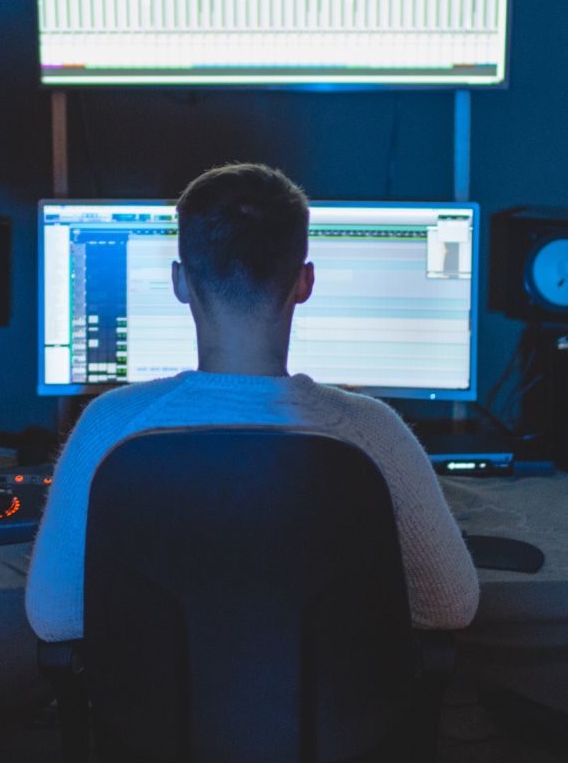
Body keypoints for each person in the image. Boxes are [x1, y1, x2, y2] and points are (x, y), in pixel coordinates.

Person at [25, 162, 479, 643]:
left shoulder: (110, 426)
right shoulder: (374, 432)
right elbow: (451, 607)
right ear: (305, 282)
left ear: (179, 282)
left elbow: (53, 618)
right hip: (325, 714)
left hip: (153, 715)